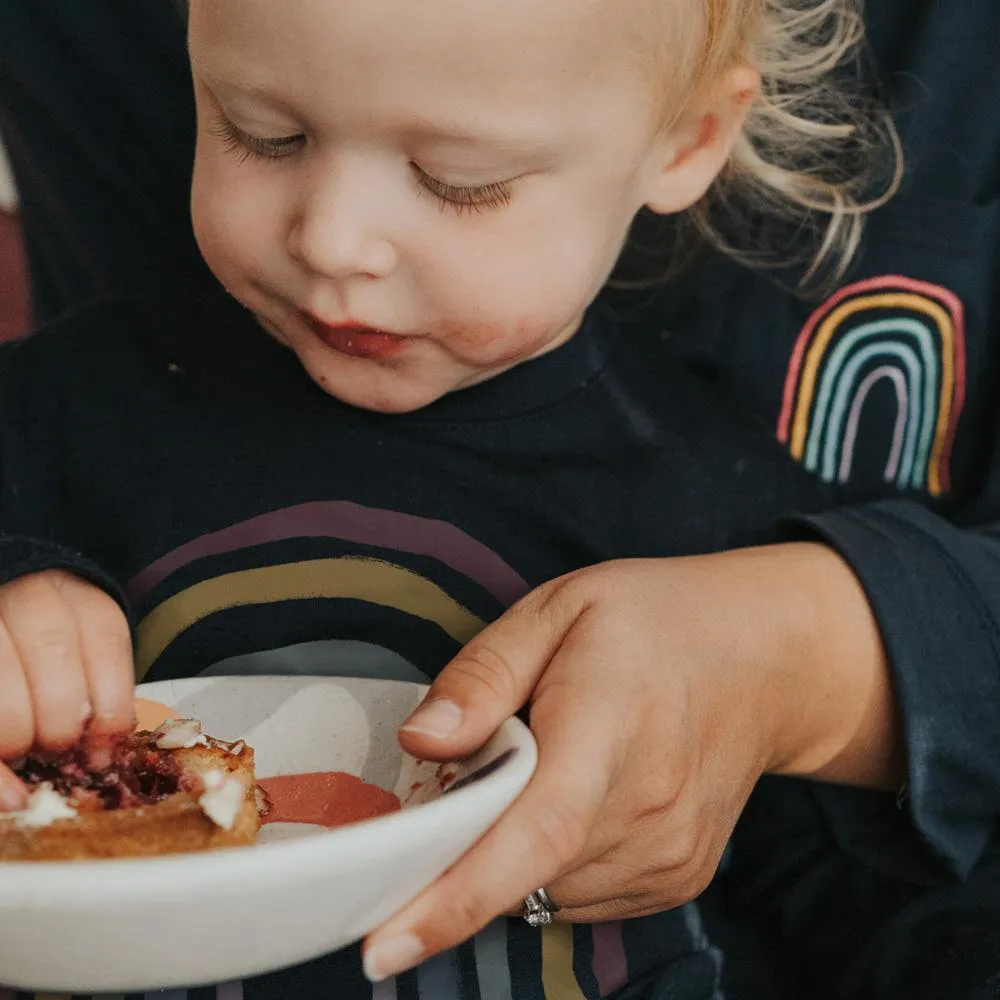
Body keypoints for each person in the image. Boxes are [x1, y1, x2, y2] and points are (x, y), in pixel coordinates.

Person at [0, 2, 998, 1000]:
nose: (335, 240)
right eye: (262, 132)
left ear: (688, 140)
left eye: (458, 182)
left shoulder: (703, 495)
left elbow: (812, 872)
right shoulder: (56, 411)